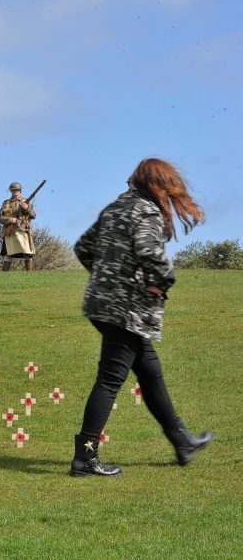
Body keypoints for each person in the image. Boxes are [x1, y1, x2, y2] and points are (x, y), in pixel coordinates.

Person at [70, 158, 213, 477]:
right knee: (110, 379)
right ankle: (85, 458)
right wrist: (159, 284)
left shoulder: (115, 208)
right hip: (127, 310)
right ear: (159, 184)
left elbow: (83, 248)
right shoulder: (146, 211)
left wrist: (107, 278)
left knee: (150, 371)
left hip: (101, 305)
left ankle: (182, 441)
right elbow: (151, 254)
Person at [0, 182, 36, 271]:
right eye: (13, 190)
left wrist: (26, 208)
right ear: (10, 191)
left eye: (16, 190)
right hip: (9, 231)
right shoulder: (6, 203)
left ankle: (29, 275)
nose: (14, 191)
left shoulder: (26, 201)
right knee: (8, 254)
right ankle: (4, 277)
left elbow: (33, 215)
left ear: (20, 190)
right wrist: (10, 220)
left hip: (24, 230)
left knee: (28, 253)